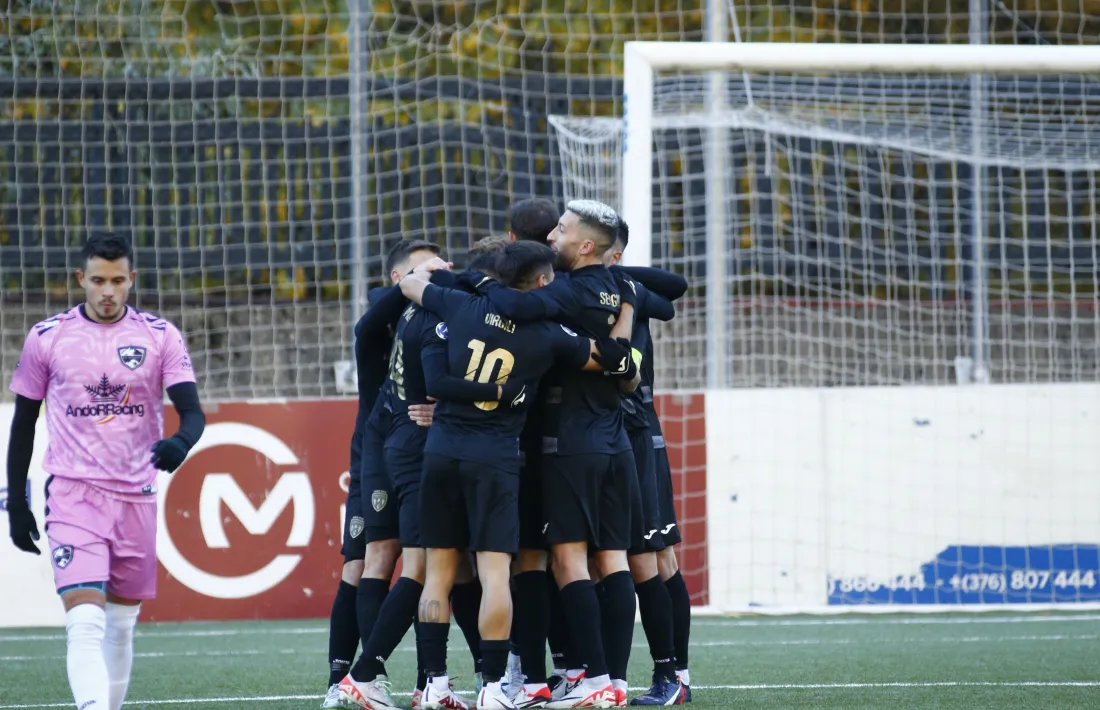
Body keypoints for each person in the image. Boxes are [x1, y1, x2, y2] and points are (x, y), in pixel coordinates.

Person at [400, 240, 636, 710]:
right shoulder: (549, 334)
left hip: (442, 451)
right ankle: (492, 688)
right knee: (494, 574)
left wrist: (436, 271)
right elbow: (612, 358)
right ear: (543, 283)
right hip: (495, 459)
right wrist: (627, 307)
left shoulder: (461, 302)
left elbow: (409, 284)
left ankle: (434, 684)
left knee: (437, 577)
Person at [5, 232, 205, 710]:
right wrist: (16, 501)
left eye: (118, 280)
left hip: (136, 498)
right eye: (98, 280)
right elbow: (23, 425)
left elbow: (193, 414)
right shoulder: (47, 337)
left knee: (119, 625)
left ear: (131, 279)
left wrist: (181, 441)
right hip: (74, 495)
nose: (108, 291)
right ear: (81, 279)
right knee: (85, 621)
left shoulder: (160, 336)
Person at [322, 256, 435, 708]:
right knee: (367, 560)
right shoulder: (382, 312)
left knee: (436, 564)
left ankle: (429, 678)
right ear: (398, 276)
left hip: (416, 446)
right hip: (373, 448)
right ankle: (349, 677)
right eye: (424, 267)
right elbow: (367, 326)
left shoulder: (433, 314)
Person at [604, 220, 685, 706]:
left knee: (649, 555)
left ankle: (672, 673)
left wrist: (616, 272)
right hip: (591, 435)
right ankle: (594, 674)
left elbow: (671, 296)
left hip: (632, 430)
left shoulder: (621, 285)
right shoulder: (564, 286)